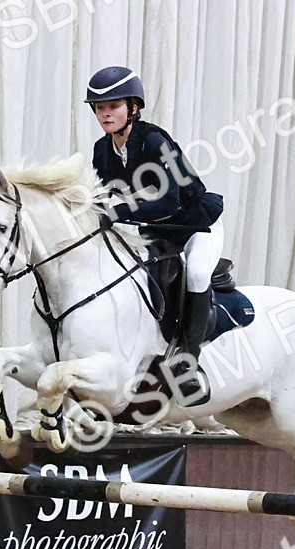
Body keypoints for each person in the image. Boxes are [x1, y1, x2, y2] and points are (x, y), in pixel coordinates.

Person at [85, 65, 224, 407]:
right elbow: (101, 195)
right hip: (155, 228)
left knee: (196, 273)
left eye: (113, 106)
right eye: (100, 108)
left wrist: (117, 214)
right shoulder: (102, 151)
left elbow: (168, 201)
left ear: (133, 107)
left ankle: (188, 366)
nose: (105, 114)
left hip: (195, 224)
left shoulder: (155, 141)